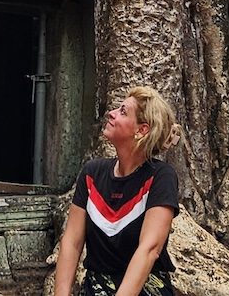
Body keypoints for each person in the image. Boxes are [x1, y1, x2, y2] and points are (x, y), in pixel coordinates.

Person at [52, 85, 180, 296]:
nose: (111, 113)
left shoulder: (160, 177)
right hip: (96, 288)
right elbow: (72, 242)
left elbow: (149, 250)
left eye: (122, 112)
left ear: (141, 130)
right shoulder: (92, 173)